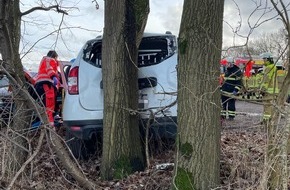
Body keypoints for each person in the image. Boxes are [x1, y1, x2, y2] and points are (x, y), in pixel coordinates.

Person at [34, 50, 60, 128]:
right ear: (55, 56)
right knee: (49, 104)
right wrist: (53, 76)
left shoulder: (44, 61)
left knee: (45, 105)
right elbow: (50, 69)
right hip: (46, 84)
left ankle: (45, 122)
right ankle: (50, 124)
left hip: (41, 84)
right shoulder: (49, 60)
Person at [260, 52, 279, 122]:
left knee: (267, 105)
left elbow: (267, 79)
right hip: (273, 90)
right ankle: (268, 119)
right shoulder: (274, 67)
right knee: (270, 105)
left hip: (268, 91)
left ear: (268, 59)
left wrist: (263, 89)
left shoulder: (269, 67)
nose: (263, 60)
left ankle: (267, 120)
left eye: (264, 59)